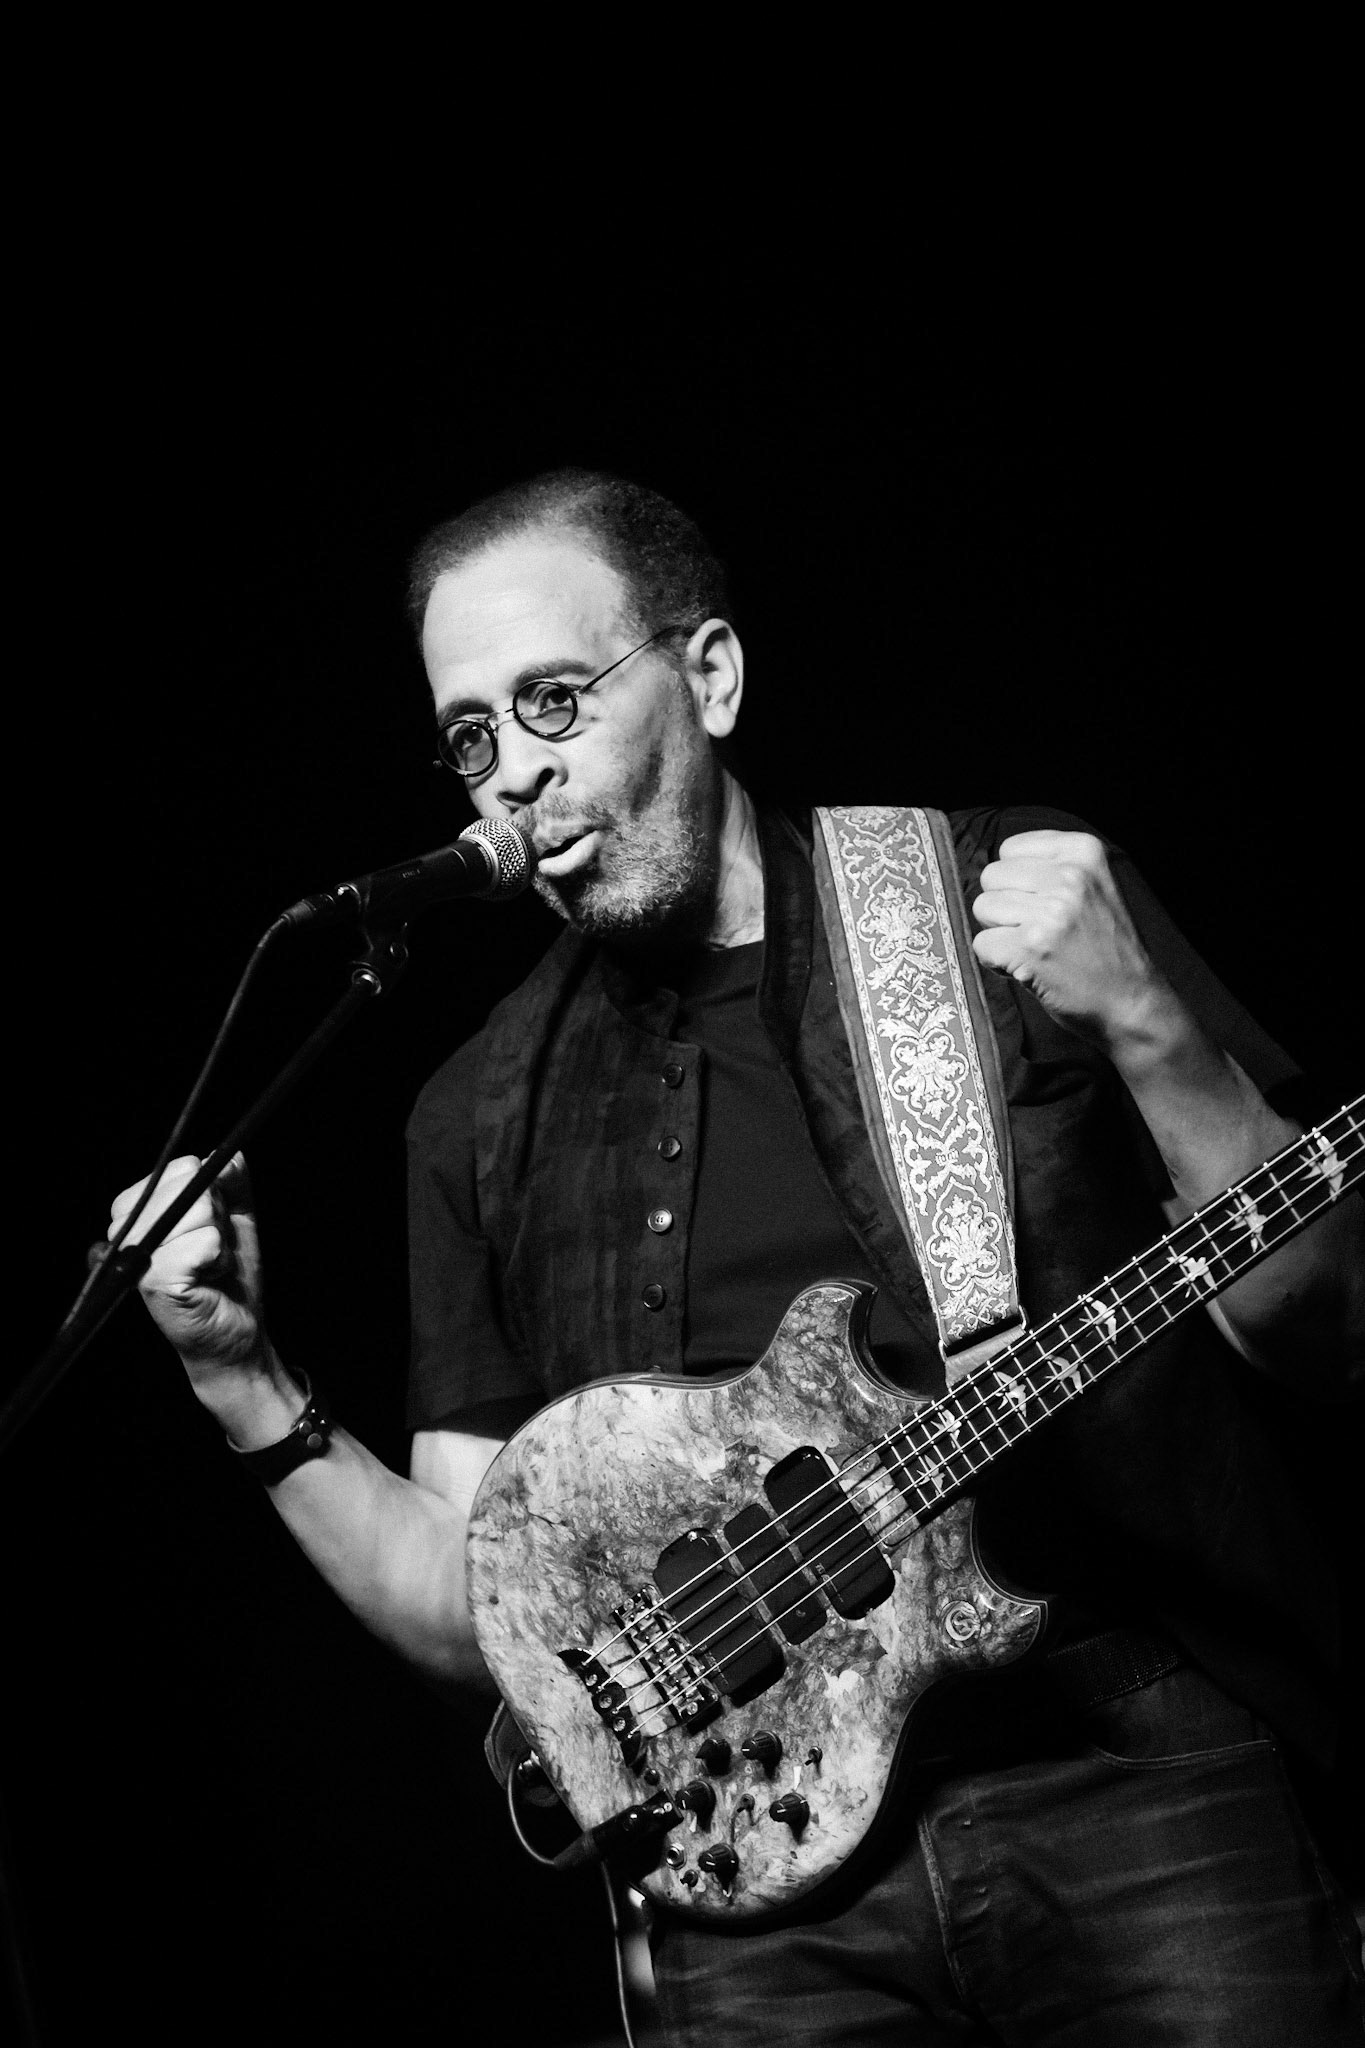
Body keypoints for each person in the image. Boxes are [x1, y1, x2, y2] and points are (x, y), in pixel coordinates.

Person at [112, 471, 1364, 2044]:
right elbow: (477, 1614)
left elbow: (1321, 1331)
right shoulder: (471, 1120)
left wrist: (1152, 1026)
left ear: (706, 676)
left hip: (1118, 1773)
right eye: (471, 735)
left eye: (555, 701)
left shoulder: (993, 906)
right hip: (760, 1887)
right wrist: (242, 1381)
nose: (515, 778)